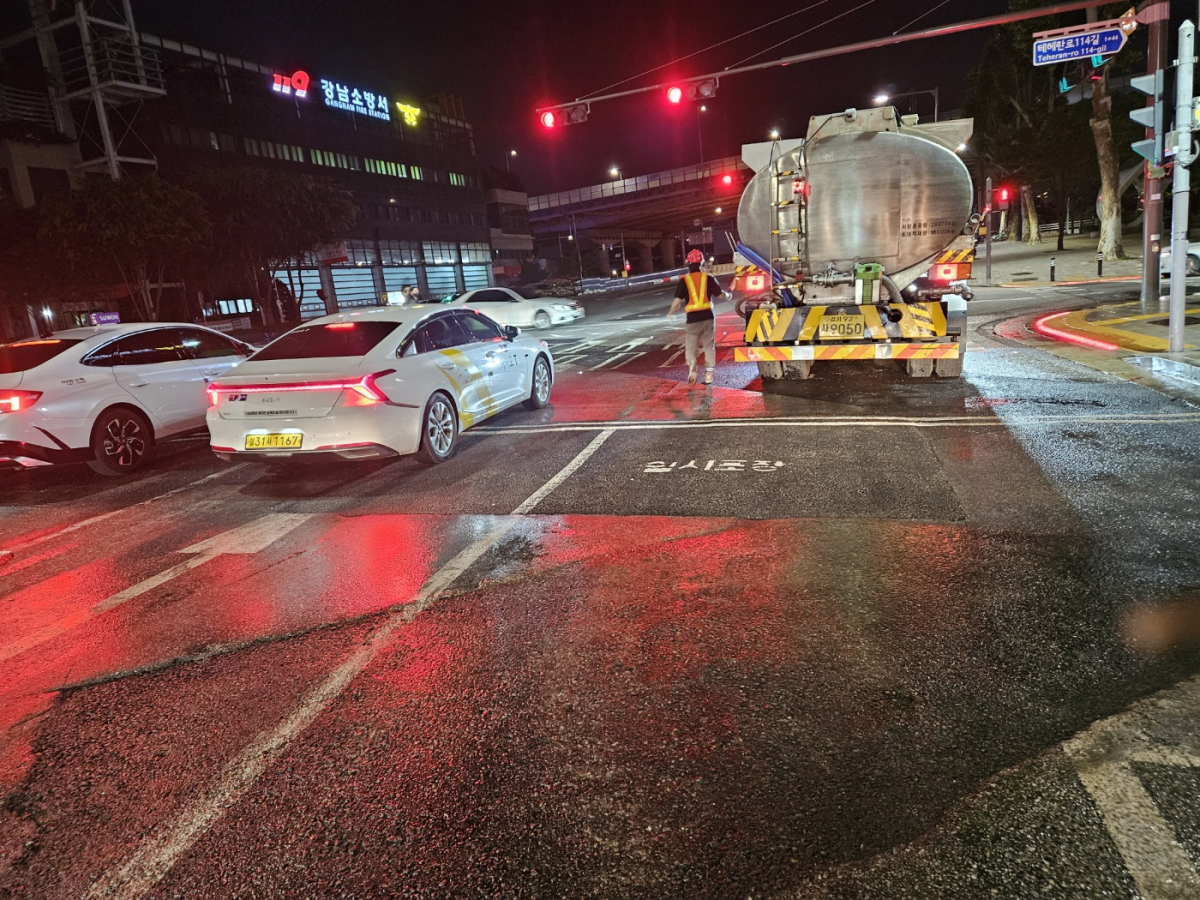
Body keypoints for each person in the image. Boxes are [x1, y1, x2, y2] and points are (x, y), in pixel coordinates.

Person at [667, 249, 724, 385]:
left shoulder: (684, 281)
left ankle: (692, 365)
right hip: (708, 318)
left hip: (692, 320)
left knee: (691, 346)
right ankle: (709, 374)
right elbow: (720, 295)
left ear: (688, 264)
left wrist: (670, 313)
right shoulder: (708, 278)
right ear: (701, 263)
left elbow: (676, 303)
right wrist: (728, 295)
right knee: (709, 346)